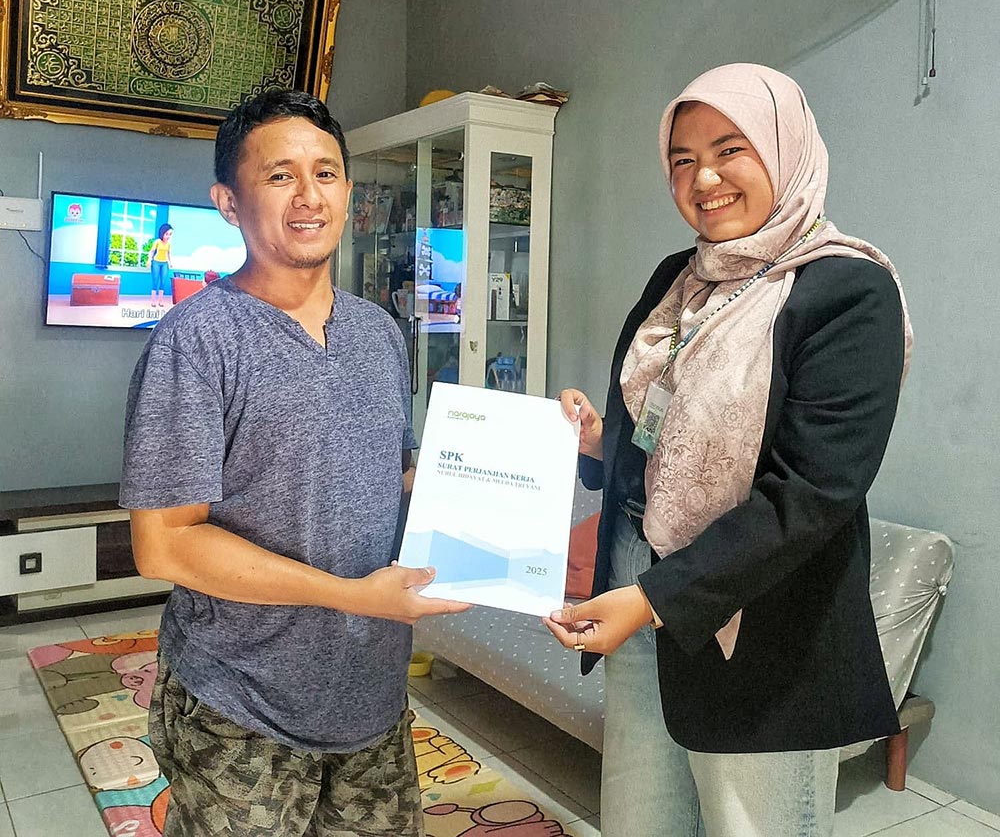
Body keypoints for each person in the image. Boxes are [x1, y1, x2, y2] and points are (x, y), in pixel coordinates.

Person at [545, 64, 912, 837]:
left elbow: (811, 495)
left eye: (729, 150)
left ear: (784, 148)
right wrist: (600, 444)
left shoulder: (846, 292)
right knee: (640, 822)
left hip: (765, 636)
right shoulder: (677, 279)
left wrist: (655, 598)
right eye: (682, 159)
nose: (703, 178)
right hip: (635, 587)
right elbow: (663, 429)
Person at [120, 89, 469, 837]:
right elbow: (164, 543)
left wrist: (510, 468)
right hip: (240, 706)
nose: (309, 196)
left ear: (348, 189)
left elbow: (392, 474)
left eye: (326, 173)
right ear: (229, 202)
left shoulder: (379, 333)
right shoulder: (197, 340)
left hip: (372, 697)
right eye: (280, 175)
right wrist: (351, 596)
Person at [148, 223, 173, 308]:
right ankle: (153, 301)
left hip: (164, 263)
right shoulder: (157, 242)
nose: (168, 236)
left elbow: (168, 254)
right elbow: (151, 251)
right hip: (156, 262)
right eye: (167, 234)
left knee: (163, 282)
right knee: (155, 282)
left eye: (170, 234)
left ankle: (160, 301)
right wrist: (149, 260)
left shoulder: (168, 244)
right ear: (162, 233)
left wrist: (170, 263)